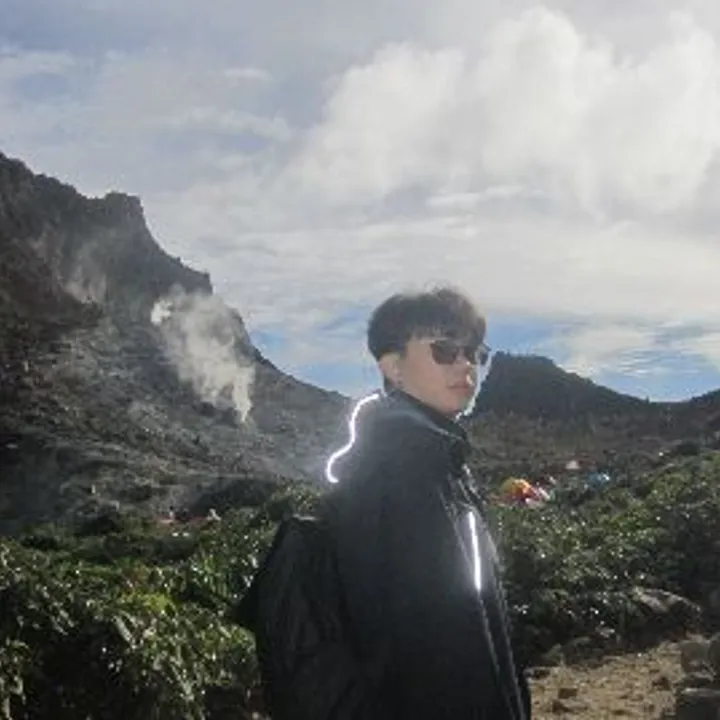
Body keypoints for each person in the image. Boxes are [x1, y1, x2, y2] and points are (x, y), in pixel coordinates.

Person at [321, 286, 531, 719]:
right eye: (445, 350)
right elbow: (424, 636)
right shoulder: (405, 464)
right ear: (393, 367)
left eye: (474, 353)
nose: (465, 364)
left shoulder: (436, 455)